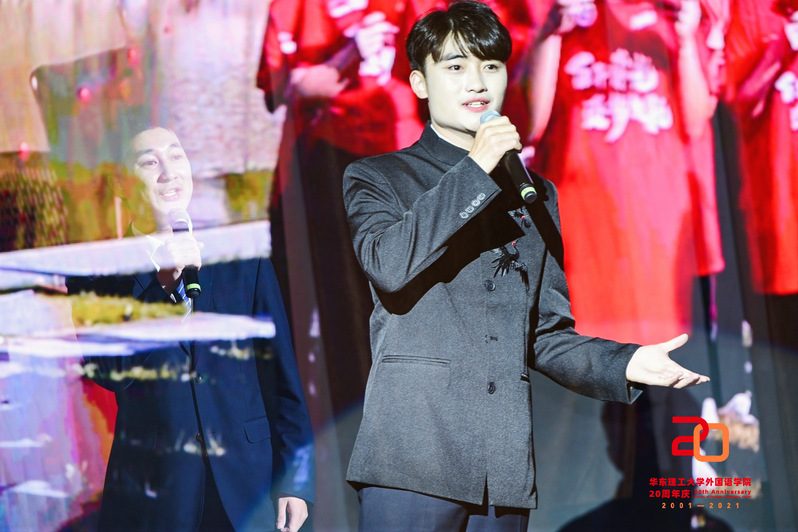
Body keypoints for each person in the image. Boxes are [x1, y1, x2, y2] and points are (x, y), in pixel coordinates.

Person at [341, 2, 709, 530]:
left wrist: (625, 363)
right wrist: (477, 166)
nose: (477, 82)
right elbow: (389, 264)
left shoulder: (535, 193)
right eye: (456, 67)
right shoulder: (380, 176)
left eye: (490, 66)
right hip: (413, 456)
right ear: (420, 83)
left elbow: (544, 333)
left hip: (503, 464)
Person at [66, 127, 314, 532]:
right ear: (120, 183)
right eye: (150, 162)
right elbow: (110, 372)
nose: (169, 173)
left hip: (250, 484)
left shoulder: (241, 255)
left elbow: (281, 376)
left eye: (176, 156)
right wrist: (160, 292)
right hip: (156, 495)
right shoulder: (96, 275)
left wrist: (296, 479)